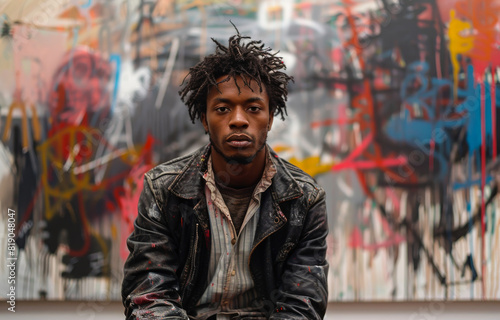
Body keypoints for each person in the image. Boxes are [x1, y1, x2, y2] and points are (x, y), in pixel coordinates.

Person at [121, 26, 329, 320]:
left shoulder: (304, 200)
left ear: (270, 119)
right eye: (222, 109)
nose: (239, 120)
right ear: (204, 119)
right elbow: (149, 292)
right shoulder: (163, 189)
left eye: (254, 108)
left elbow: (302, 303)